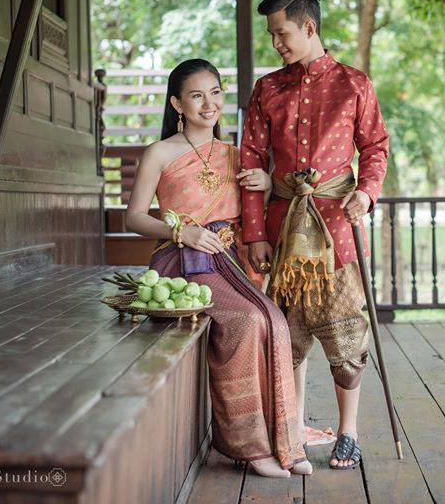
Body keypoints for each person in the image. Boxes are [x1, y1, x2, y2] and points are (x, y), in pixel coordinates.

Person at [125, 59, 312, 478]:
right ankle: (248, 446)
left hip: (234, 261)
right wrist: (181, 233)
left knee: (275, 320)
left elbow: (258, 209)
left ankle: (286, 441)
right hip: (184, 261)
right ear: (177, 103)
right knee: (248, 319)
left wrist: (268, 184)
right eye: (196, 95)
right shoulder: (159, 153)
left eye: (215, 92)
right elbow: (133, 218)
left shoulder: (236, 154)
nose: (208, 103)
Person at [240, 0, 390, 470]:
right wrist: (255, 233)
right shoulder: (266, 89)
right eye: (272, 36)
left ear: (309, 27)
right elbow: (249, 160)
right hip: (282, 230)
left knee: (347, 335)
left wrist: (366, 192)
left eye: (282, 34)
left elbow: (375, 147)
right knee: (288, 334)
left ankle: (348, 433)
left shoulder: (354, 84)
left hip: (338, 230)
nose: (277, 44)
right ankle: (293, 428)